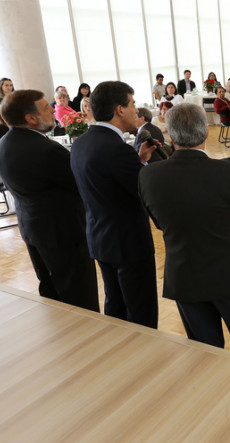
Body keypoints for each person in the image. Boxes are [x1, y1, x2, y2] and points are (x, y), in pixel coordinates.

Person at [138, 103, 230, 360]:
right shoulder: (226, 172)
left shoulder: (148, 175)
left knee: (205, 353)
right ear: (206, 133)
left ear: (171, 135)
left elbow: (158, 221)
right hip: (228, 272)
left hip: (184, 273)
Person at [0, 89, 99, 312]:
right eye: (45, 108)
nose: (53, 109)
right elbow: (82, 184)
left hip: (34, 229)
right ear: (30, 118)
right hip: (63, 234)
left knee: (52, 294)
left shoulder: (4, 143)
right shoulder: (46, 150)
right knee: (80, 300)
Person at [69, 81, 159, 328]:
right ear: (120, 109)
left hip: (100, 237)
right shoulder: (117, 149)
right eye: (132, 104)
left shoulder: (80, 143)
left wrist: (137, 161)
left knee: (115, 305)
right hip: (128, 244)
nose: (136, 110)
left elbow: (107, 182)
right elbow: (144, 192)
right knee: (141, 311)